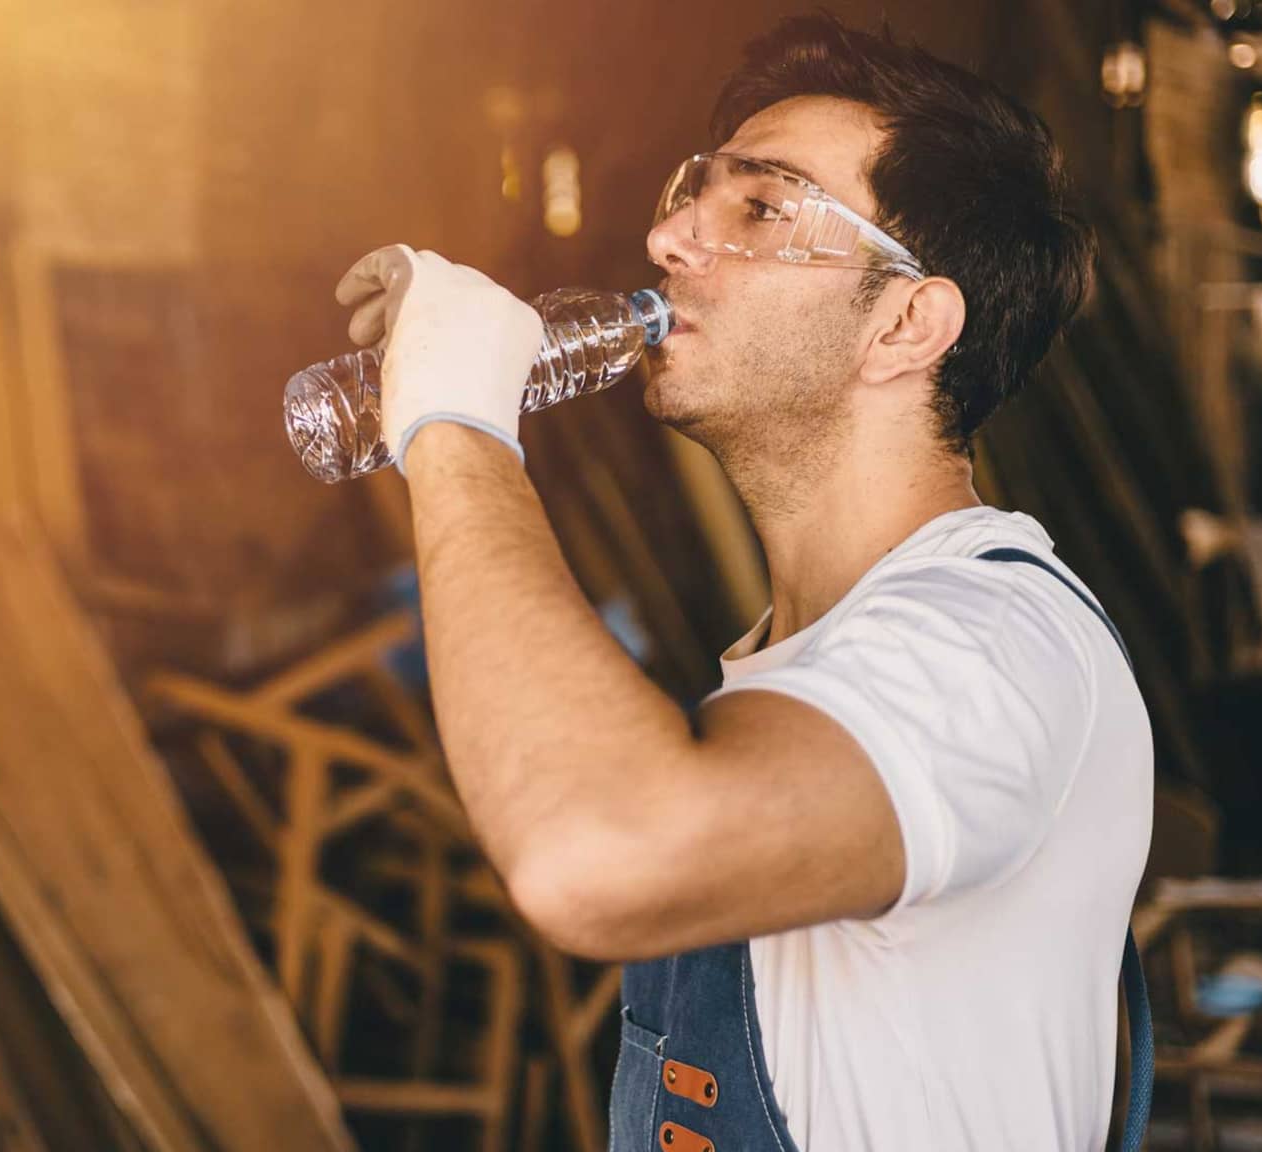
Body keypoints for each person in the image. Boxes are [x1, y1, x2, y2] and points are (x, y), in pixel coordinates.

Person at [329, 14, 1153, 1152]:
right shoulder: (798, 667)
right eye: (692, 195)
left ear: (905, 324)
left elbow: (595, 853)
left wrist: (456, 425)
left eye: (761, 209)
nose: (667, 237)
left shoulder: (991, 641)